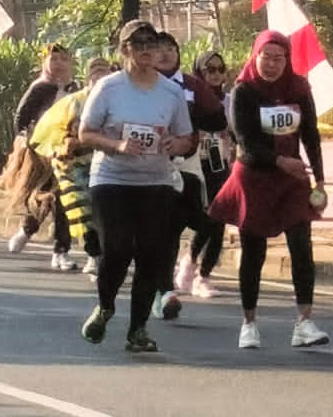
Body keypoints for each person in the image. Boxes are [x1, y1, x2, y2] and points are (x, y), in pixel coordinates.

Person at [208, 30, 331, 350]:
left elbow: (311, 135)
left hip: (292, 179)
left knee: (302, 246)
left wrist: (320, 179)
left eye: (279, 58)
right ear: (255, 56)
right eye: (266, 57)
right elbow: (245, 144)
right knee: (254, 250)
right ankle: (249, 322)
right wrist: (279, 161)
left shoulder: (299, 88)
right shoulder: (244, 90)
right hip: (255, 176)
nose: (272, 65)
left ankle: (305, 321)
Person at [76, 21, 192, 354]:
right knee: (118, 248)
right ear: (124, 48)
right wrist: (117, 145)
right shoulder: (109, 87)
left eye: (151, 43)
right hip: (112, 178)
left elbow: (185, 137)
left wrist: (175, 144)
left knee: (151, 254)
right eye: (138, 43)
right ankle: (105, 306)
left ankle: (138, 329)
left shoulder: (170, 92)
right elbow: (85, 133)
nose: (146, 49)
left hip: (155, 181)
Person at [151, 32, 225, 321]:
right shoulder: (138, 83)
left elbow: (218, 119)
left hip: (186, 164)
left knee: (206, 219)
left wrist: (189, 126)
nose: (166, 54)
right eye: (160, 49)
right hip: (146, 165)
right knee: (161, 230)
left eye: (172, 48)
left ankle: (185, 268)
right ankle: (163, 291)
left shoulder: (192, 86)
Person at [27, 57, 116, 273]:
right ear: (88, 79)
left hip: (106, 164)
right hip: (74, 167)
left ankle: (108, 254)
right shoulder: (73, 103)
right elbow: (48, 131)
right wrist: (64, 145)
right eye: (95, 74)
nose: (100, 78)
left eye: (104, 74)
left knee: (106, 211)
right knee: (81, 210)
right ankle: (93, 254)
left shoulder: (119, 102)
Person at [9, 44, 82, 270]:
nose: (58, 64)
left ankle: (61, 251)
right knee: (44, 198)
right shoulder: (39, 88)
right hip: (42, 155)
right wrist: (28, 141)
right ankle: (27, 229)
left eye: (63, 59)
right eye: (54, 59)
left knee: (65, 200)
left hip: (69, 153)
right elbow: (21, 118)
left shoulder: (77, 89)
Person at [177, 50, 233, 299]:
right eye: (210, 69)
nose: (216, 74)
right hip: (193, 165)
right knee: (203, 218)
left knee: (219, 219)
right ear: (199, 71)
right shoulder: (189, 98)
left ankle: (204, 275)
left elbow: (236, 130)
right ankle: (188, 260)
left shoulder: (230, 100)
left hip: (220, 164)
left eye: (221, 69)